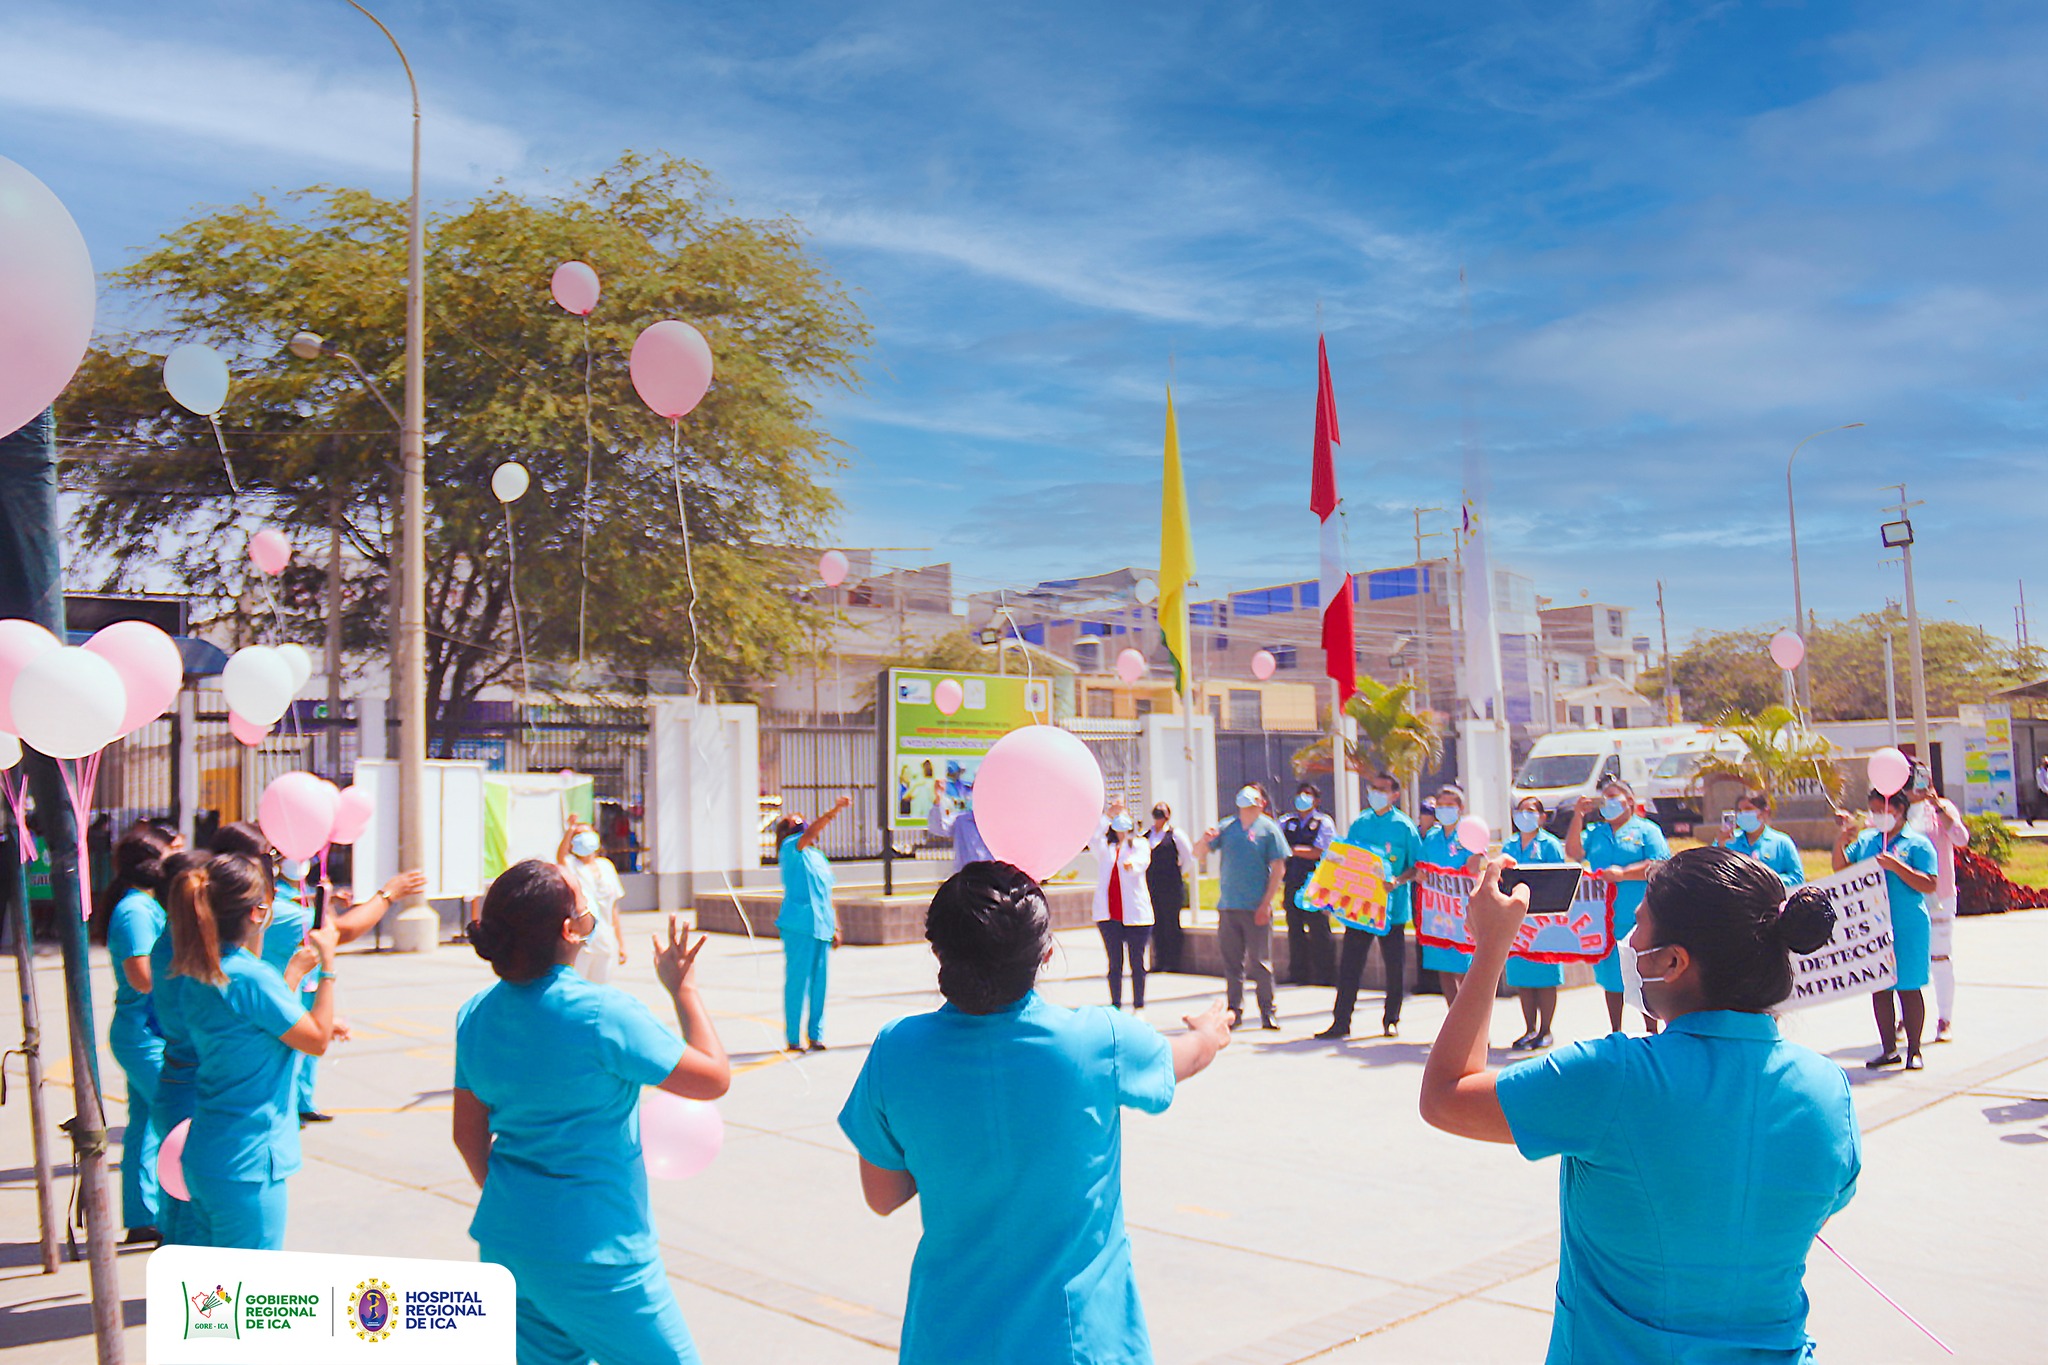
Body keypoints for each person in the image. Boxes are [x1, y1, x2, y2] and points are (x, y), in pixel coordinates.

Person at [1419, 847, 1858, 1364]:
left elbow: (1446, 1096)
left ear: (1673, 962)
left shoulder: (1613, 1077)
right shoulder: (1828, 1088)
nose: (1629, 943)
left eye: (1639, 928)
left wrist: (1491, 946)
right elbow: (1814, 1211)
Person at [838, 861, 1231, 1365]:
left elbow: (883, 1195)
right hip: (1078, 1343)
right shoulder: (1097, 1041)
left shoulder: (897, 1049)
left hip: (949, 1339)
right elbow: (1183, 1058)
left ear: (938, 951)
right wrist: (1208, 1033)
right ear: (1045, 954)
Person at [454, 860, 731, 1365]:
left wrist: (520, 1204)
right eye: (585, 913)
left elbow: (466, 1135)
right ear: (569, 931)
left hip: (508, 1241)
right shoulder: (604, 1014)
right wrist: (684, 989)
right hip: (599, 1252)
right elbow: (713, 1077)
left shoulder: (474, 1015)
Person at [169, 852, 338, 1249]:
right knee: (248, 1297)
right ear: (256, 912)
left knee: (214, 1295)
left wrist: (292, 976)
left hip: (209, 1154)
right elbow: (315, 1038)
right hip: (248, 1162)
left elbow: (258, 1022)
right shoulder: (250, 978)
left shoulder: (200, 970)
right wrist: (327, 967)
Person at [216, 821, 421, 1124]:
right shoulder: (252, 968)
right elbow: (340, 932)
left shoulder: (224, 953)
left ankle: (302, 1103)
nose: (276, 864)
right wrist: (388, 894)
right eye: (269, 857)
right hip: (263, 1053)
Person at [1834, 786, 1939, 1069]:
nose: (1878, 816)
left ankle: (1914, 1050)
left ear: (1899, 810)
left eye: (1883, 810)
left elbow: (1929, 883)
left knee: (1908, 986)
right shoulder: (1868, 840)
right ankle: (1888, 1048)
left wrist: (1897, 867)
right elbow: (1841, 869)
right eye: (1874, 810)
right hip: (1874, 924)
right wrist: (1841, 841)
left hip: (1907, 923)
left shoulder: (1917, 843)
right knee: (1880, 987)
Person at [106, 822, 175, 1243]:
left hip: (146, 1032)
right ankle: (170, 1217)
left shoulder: (144, 905)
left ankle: (142, 1215)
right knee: (174, 1119)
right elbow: (142, 976)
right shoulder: (134, 910)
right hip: (142, 1036)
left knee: (145, 1125)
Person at [1319, 770, 1421, 1041]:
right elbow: (1347, 858)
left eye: (1382, 789)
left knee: (1394, 966)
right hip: (1360, 909)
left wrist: (1398, 881)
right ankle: (1341, 1021)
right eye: (1373, 788)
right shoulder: (1360, 823)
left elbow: (1416, 866)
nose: (1376, 793)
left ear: (1394, 795)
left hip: (1392, 910)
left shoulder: (1404, 826)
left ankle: (1391, 1019)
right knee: (1350, 965)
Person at [1566, 778, 1672, 1033]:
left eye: (1615, 798)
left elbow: (1659, 863)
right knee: (1612, 978)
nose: (1609, 804)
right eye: (1605, 799)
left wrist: (1624, 873)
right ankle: (1616, 1031)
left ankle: (1651, 1030)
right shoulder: (1597, 833)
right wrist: (1578, 815)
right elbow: (1574, 851)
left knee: (1644, 976)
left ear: (1631, 802)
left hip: (1639, 917)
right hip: (1605, 919)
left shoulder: (1647, 830)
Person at [147, 849, 213, 1246]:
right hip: (191, 1087)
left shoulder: (168, 944)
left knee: (176, 1201)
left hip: (175, 1080)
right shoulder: (190, 955)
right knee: (192, 1207)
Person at [1197, 784, 1287, 1029]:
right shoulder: (1227, 827)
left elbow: (1279, 867)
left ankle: (1267, 1011)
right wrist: (1204, 840)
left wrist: (1266, 904)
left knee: (1261, 963)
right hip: (1229, 907)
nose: (1247, 802)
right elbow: (1199, 854)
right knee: (1232, 963)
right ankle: (1234, 1011)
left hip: (1255, 907)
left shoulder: (1269, 830)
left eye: (1253, 799)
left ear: (1261, 803)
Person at [776, 795, 851, 1051]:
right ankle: (793, 1038)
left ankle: (816, 1034)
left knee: (820, 983)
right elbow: (811, 833)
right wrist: (835, 810)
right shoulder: (789, 848)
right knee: (798, 981)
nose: (800, 826)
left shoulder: (818, 857)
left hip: (822, 926)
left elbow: (828, 894)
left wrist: (836, 926)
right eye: (794, 824)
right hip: (798, 925)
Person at [1907, 766, 1969, 1042]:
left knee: (1940, 957)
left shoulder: (1942, 808)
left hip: (1940, 895)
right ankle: (1905, 1017)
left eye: (1921, 780)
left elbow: (1961, 839)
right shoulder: (1896, 812)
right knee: (1905, 957)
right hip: (1907, 896)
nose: (1916, 787)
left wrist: (1938, 807)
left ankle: (1945, 1018)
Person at [1502, 796, 1567, 1051]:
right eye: (1520, 811)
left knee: (1545, 975)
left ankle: (1545, 1029)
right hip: (1517, 919)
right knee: (1522, 975)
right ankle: (1529, 1029)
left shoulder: (1549, 845)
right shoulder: (1509, 844)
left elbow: (1560, 877)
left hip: (1544, 920)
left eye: (1530, 811)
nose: (1524, 816)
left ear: (1541, 817)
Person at [1418, 784, 1484, 1004]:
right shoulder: (1432, 837)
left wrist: (1476, 856)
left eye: (1450, 805)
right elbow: (1422, 868)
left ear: (1460, 808)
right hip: (1438, 913)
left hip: (1462, 913)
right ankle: (1453, 1020)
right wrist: (1421, 875)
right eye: (1441, 805)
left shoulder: (1468, 835)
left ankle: (1475, 1026)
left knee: (1465, 970)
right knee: (1443, 969)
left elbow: (1474, 869)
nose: (1445, 809)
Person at [1091, 798, 1156, 1010]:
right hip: (1110, 914)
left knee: (1137, 963)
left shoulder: (1140, 845)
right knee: (1114, 964)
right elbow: (1092, 836)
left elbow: (1142, 861)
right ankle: (1115, 1005)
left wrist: (1132, 865)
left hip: (1135, 914)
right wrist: (1107, 815)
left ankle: (1139, 1005)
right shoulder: (1105, 848)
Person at [1281, 782, 1338, 987]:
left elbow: (1321, 851)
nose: (1302, 799)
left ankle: (1325, 974)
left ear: (1317, 801)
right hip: (1293, 882)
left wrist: (1294, 850)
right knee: (1294, 929)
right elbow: (1278, 847)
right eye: (1300, 794)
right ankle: (1298, 972)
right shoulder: (1287, 822)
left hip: (1316, 883)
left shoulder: (1323, 822)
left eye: (1308, 795)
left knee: (1318, 929)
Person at [558, 816, 627, 984]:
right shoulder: (573, 865)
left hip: (605, 939)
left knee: (601, 987)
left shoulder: (606, 866)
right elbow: (560, 857)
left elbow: (613, 908)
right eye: (579, 835)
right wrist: (570, 830)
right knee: (578, 984)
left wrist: (621, 943)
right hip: (584, 942)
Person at [1143, 801, 1197, 973]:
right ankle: (1159, 961)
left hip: (1171, 887)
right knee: (1156, 924)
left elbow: (1189, 859)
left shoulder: (1176, 835)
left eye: (1162, 814)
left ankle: (1173, 962)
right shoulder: (1146, 836)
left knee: (1171, 923)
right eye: (1156, 814)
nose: (1159, 818)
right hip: (1153, 886)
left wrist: (1178, 873)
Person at [1718, 791, 1805, 888]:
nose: (1743, 814)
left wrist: (1767, 881)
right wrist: (1720, 846)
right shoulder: (1728, 841)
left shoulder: (1782, 843)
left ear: (1765, 812)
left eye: (1748, 809)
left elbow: (1798, 878)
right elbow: (1711, 872)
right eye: (1740, 810)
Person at [925, 776, 991, 872]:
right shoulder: (961, 820)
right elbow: (937, 827)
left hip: (992, 876)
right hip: (967, 877)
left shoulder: (998, 821)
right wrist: (938, 799)